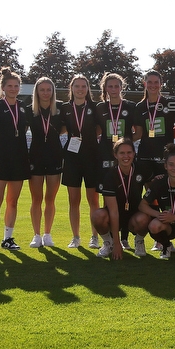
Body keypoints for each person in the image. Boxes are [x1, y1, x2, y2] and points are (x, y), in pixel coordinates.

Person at [0, 67, 30, 252]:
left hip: (19, 159)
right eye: (9, 86)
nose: (13, 88)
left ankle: (8, 238)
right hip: (0, 159)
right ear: (3, 87)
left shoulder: (23, 108)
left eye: (16, 86)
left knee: (13, 201)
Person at [96, 72, 139, 249]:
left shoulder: (130, 106)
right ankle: (111, 238)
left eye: (116, 86)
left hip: (125, 157)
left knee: (127, 194)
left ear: (122, 87)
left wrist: (126, 145)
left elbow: (139, 131)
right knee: (108, 198)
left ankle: (125, 238)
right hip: (106, 157)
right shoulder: (100, 107)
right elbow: (98, 130)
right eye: (110, 86)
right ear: (105, 88)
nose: (113, 89)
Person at [62, 74, 102, 249]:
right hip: (72, 158)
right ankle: (75, 236)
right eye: (77, 86)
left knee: (93, 200)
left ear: (87, 89)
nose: (80, 89)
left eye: (83, 86)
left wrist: (91, 137)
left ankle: (94, 236)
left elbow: (101, 127)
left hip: (92, 158)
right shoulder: (64, 108)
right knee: (73, 200)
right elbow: (62, 128)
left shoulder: (95, 107)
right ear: (71, 88)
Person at [92, 138, 150, 259]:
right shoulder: (110, 175)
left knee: (145, 217)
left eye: (129, 152)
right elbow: (113, 212)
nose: (126, 156)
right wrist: (117, 243)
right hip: (115, 215)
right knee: (97, 215)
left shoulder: (141, 169)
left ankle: (139, 241)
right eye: (122, 153)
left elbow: (152, 192)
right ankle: (109, 243)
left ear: (134, 153)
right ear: (115, 155)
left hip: (134, 216)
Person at [27, 77, 65, 248]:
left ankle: (47, 234)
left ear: (53, 91)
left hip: (55, 156)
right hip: (35, 156)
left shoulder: (60, 109)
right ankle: (36, 235)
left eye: (48, 89)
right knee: (36, 199)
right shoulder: (29, 110)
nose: (45, 93)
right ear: (36, 92)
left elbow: (66, 128)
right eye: (42, 90)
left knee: (50, 199)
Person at [135, 70, 175, 185]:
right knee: (150, 193)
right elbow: (138, 134)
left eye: (156, 82)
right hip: (145, 156)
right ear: (144, 84)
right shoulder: (140, 107)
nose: (153, 85)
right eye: (150, 82)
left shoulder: (170, 103)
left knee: (164, 192)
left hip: (165, 156)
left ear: (161, 84)